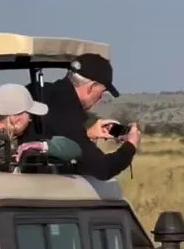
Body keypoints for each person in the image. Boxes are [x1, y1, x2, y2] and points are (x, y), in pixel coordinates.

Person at [28, 52, 141, 182]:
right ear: (91, 87)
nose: (100, 97)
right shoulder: (69, 114)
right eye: (102, 92)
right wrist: (131, 146)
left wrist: (87, 134)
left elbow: (55, 134)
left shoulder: (40, 92)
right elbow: (103, 169)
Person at [0, 85, 82, 170]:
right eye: (29, 115)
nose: (30, 120)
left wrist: (42, 146)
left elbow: (74, 148)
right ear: (16, 117)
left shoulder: (24, 139)